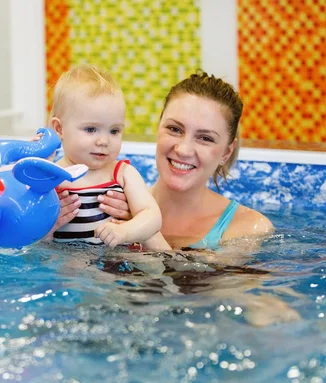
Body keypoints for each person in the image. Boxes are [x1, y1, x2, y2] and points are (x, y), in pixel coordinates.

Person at [54, 70, 274, 251]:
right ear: (158, 129)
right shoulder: (113, 201)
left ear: (226, 152)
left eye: (205, 138)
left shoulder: (249, 229)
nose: (183, 149)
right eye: (174, 129)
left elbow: (197, 293)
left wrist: (140, 229)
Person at [44, 65, 169, 250]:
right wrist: (47, 230)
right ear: (59, 129)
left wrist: (125, 231)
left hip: (115, 270)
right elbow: (31, 242)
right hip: (67, 273)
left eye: (114, 131)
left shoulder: (122, 174)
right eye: (91, 129)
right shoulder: (52, 178)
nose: (104, 141)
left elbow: (152, 215)